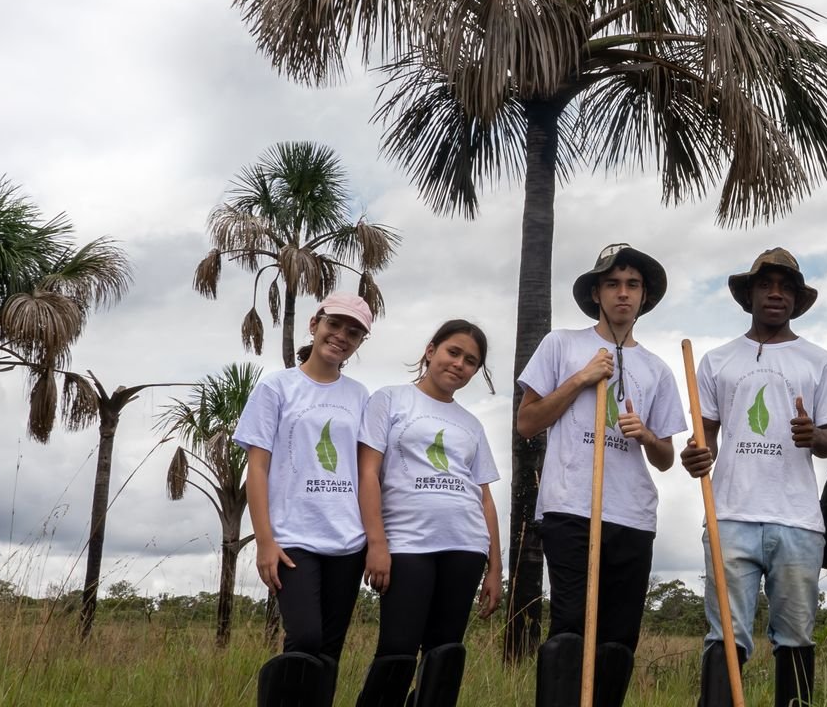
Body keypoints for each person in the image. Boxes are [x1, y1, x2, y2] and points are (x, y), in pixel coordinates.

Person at [518, 243, 688, 707]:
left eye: (632, 285)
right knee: (571, 624)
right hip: (571, 505)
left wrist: (647, 435)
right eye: (612, 284)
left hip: (632, 514)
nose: (622, 294)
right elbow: (527, 422)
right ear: (596, 293)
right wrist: (580, 380)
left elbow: (666, 458)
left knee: (618, 638)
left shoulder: (657, 369)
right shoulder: (562, 345)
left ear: (644, 296)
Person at [680, 248, 827, 707]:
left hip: (798, 522)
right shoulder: (716, 360)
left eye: (786, 287)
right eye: (766, 285)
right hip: (730, 515)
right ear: (748, 295)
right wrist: (694, 456)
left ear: (797, 299)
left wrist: (813, 435)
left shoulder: (820, 361)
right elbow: (705, 439)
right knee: (725, 635)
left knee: (795, 637)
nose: (776, 294)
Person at [354, 320, 503, 707]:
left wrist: (495, 569)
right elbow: (368, 472)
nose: (459, 364)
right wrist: (377, 543)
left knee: (444, 656)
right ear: (431, 350)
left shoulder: (471, 424)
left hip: (466, 545)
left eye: (471, 361)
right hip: (407, 543)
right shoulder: (389, 400)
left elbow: (484, 497)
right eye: (454, 352)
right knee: (397, 652)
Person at [236, 292, 375, 707]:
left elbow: (366, 471)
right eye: (335, 325)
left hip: (348, 540)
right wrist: (265, 541)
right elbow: (256, 468)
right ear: (315, 325)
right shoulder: (277, 387)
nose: (342, 336)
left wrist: (373, 539)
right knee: (305, 638)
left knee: (329, 651)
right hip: (294, 538)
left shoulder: (359, 395)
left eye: (354, 333)